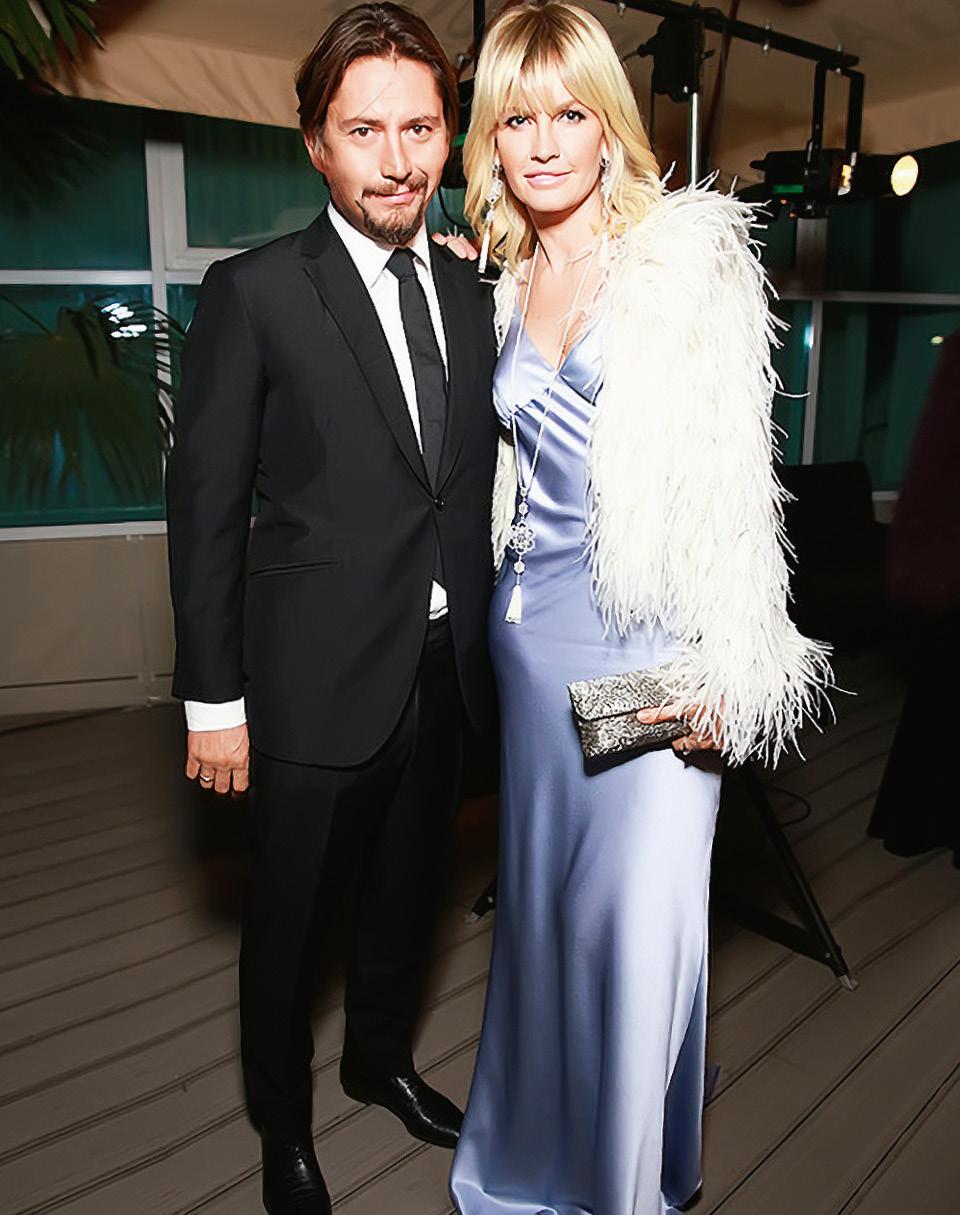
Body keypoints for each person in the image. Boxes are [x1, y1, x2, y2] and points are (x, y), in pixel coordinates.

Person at [443, 4, 834, 1213]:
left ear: (609, 125)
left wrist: (732, 667)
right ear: (491, 140)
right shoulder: (505, 275)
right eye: (518, 120)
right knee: (548, 927)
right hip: (532, 649)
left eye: (569, 113)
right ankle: (532, 1161)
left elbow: (738, 487)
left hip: (654, 651)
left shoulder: (683, 267)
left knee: (639, 925)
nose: (545, 143)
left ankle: (622, 1187)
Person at [164, 6, 499, 1212]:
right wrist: (214, 703)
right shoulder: (253, 292)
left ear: (449, 135)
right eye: (365, 131)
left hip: (445, 669)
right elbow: (204, 513)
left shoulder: (475, 289)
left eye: (420, 128)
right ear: (316, 143)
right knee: (290, 923)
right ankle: (283, 1124)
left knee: (410, 892)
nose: (398, 160)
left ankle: (380, 1062)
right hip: (306, 683)